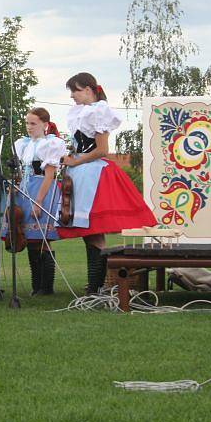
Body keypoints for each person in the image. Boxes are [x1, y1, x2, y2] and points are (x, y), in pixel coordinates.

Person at [58, 72, 156, 294]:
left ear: (89, 90)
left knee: (94, 229)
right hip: (81, 172)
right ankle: (96, 286)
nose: (72, 95)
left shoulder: (99, 111)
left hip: (94, 174)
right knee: (89, 232)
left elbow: (102, 150)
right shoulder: (79, 112)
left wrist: (76, 160)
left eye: (75, 90)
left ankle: (98, 286)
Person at [13, 108, 67, 295]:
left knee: (42, 238)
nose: (29, 127)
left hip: (42, 190)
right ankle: (36, 285)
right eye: (27, 123)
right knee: (30, 237)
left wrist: (38, 201)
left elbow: (49, 175)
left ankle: (46, 286)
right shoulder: (23, 144)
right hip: (26, 188)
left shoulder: (50, 144)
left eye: (33, 123)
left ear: (45, 125)